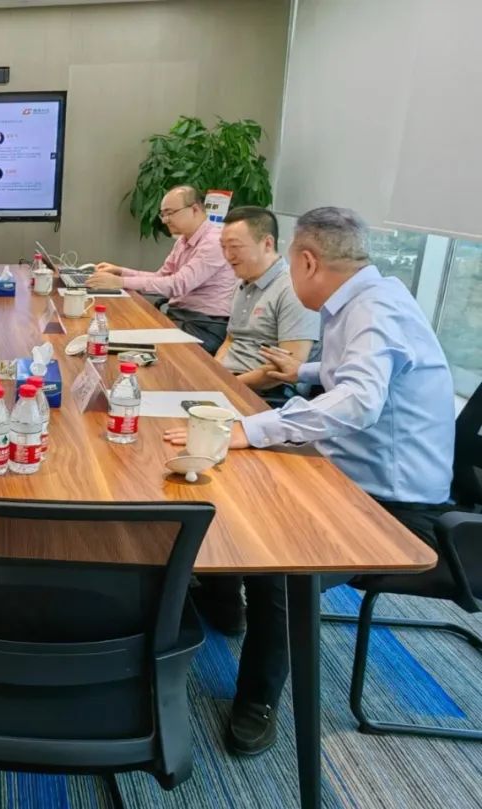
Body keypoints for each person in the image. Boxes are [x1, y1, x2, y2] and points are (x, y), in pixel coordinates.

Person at [164, 206, 456, 756]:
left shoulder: (374, 309)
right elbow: (363, 372)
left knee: (281, 562)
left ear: (306, 261)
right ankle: (224, 598)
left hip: (393, 506)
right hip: (347, 472)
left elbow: (361, 400)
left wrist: (249, 429)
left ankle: (258, 699)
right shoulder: (366, 299)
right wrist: (302, 372)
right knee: (233, 476)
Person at [89, 185, 235, 353]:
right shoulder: (183, 240)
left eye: (170, 213)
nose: (165, 220)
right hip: (181, 317)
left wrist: (120, 282)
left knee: (127, 343)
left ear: (194, 209)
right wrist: (120, 271)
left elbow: (178, 284)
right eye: (163, 214)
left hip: (204, 325)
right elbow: (161, 276)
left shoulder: (214, 242)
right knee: (115, 331)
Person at [214, 207, 319, 395]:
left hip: (268, 392)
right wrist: (214, 371)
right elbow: (231, 339)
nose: (228, 255)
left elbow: (287, 367)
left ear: (267, 244)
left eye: (235, 247)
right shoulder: (243, 282)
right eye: (223, 247)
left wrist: (225, 384)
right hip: (230, 381)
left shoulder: (293, 289)